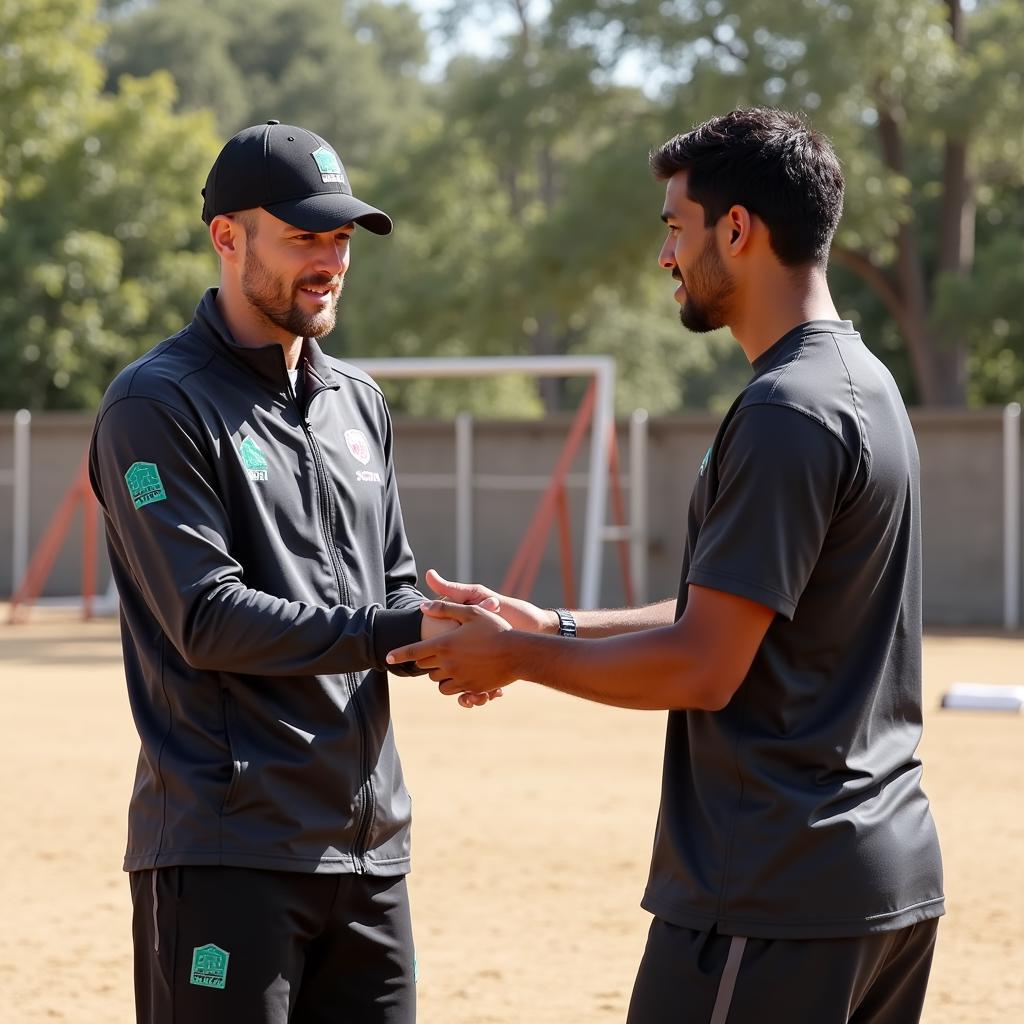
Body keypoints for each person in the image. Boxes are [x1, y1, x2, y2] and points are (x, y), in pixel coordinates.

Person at [387, 108, 945, 1023]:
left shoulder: (786, 412)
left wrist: (517, 659)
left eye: (676, 229)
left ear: (738, 229)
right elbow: (729, 612)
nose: (666, 258)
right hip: (877, 882)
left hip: (775, 893)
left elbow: (703, 665)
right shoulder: (865, 386)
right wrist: (550, 625)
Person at [88, 120, 490, 1024]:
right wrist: (399, 629)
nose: (330, 260)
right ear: (227, 237)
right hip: (229, 851)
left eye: (341, 237)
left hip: (370, 852)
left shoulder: (360, 403)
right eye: (304, 235)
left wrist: (456, 636)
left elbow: (388, 588)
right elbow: (208, 618)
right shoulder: (156, 405)